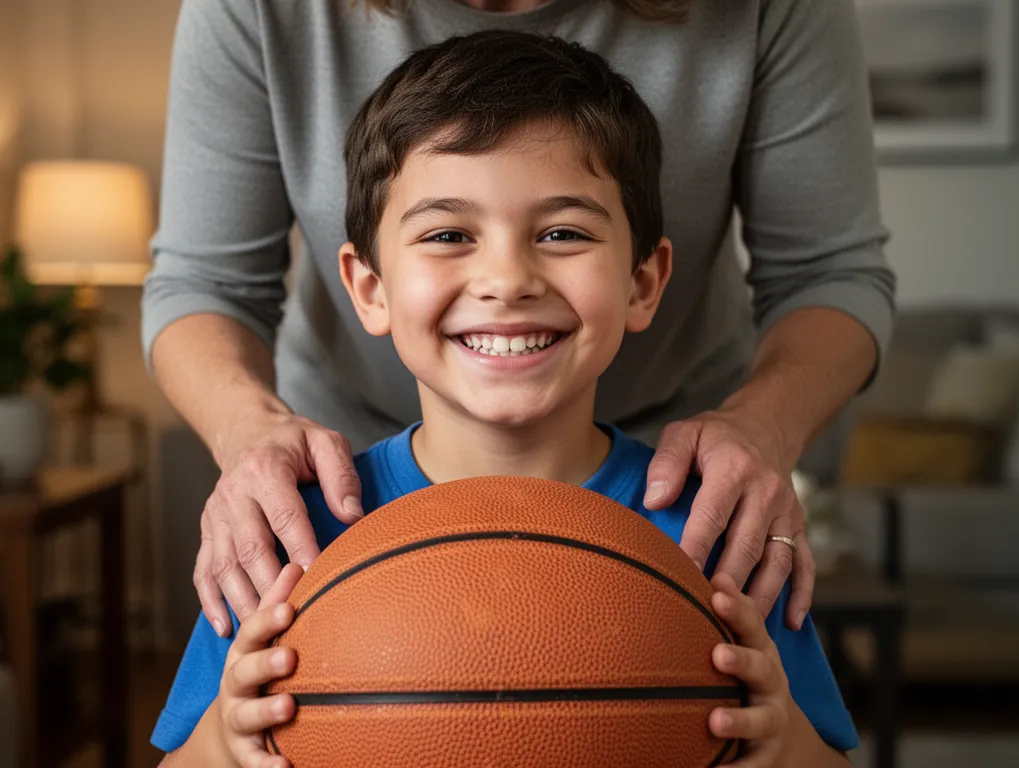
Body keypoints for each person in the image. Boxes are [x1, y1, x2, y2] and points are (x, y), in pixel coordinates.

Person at [152, 32, 858, 767]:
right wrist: (220, 746)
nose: (507, 277)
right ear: (371, 287)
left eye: (562, 232)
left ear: (644, 282)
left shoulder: (720, 531)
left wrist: (786, 747)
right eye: (450, 233)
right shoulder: (290, 536)